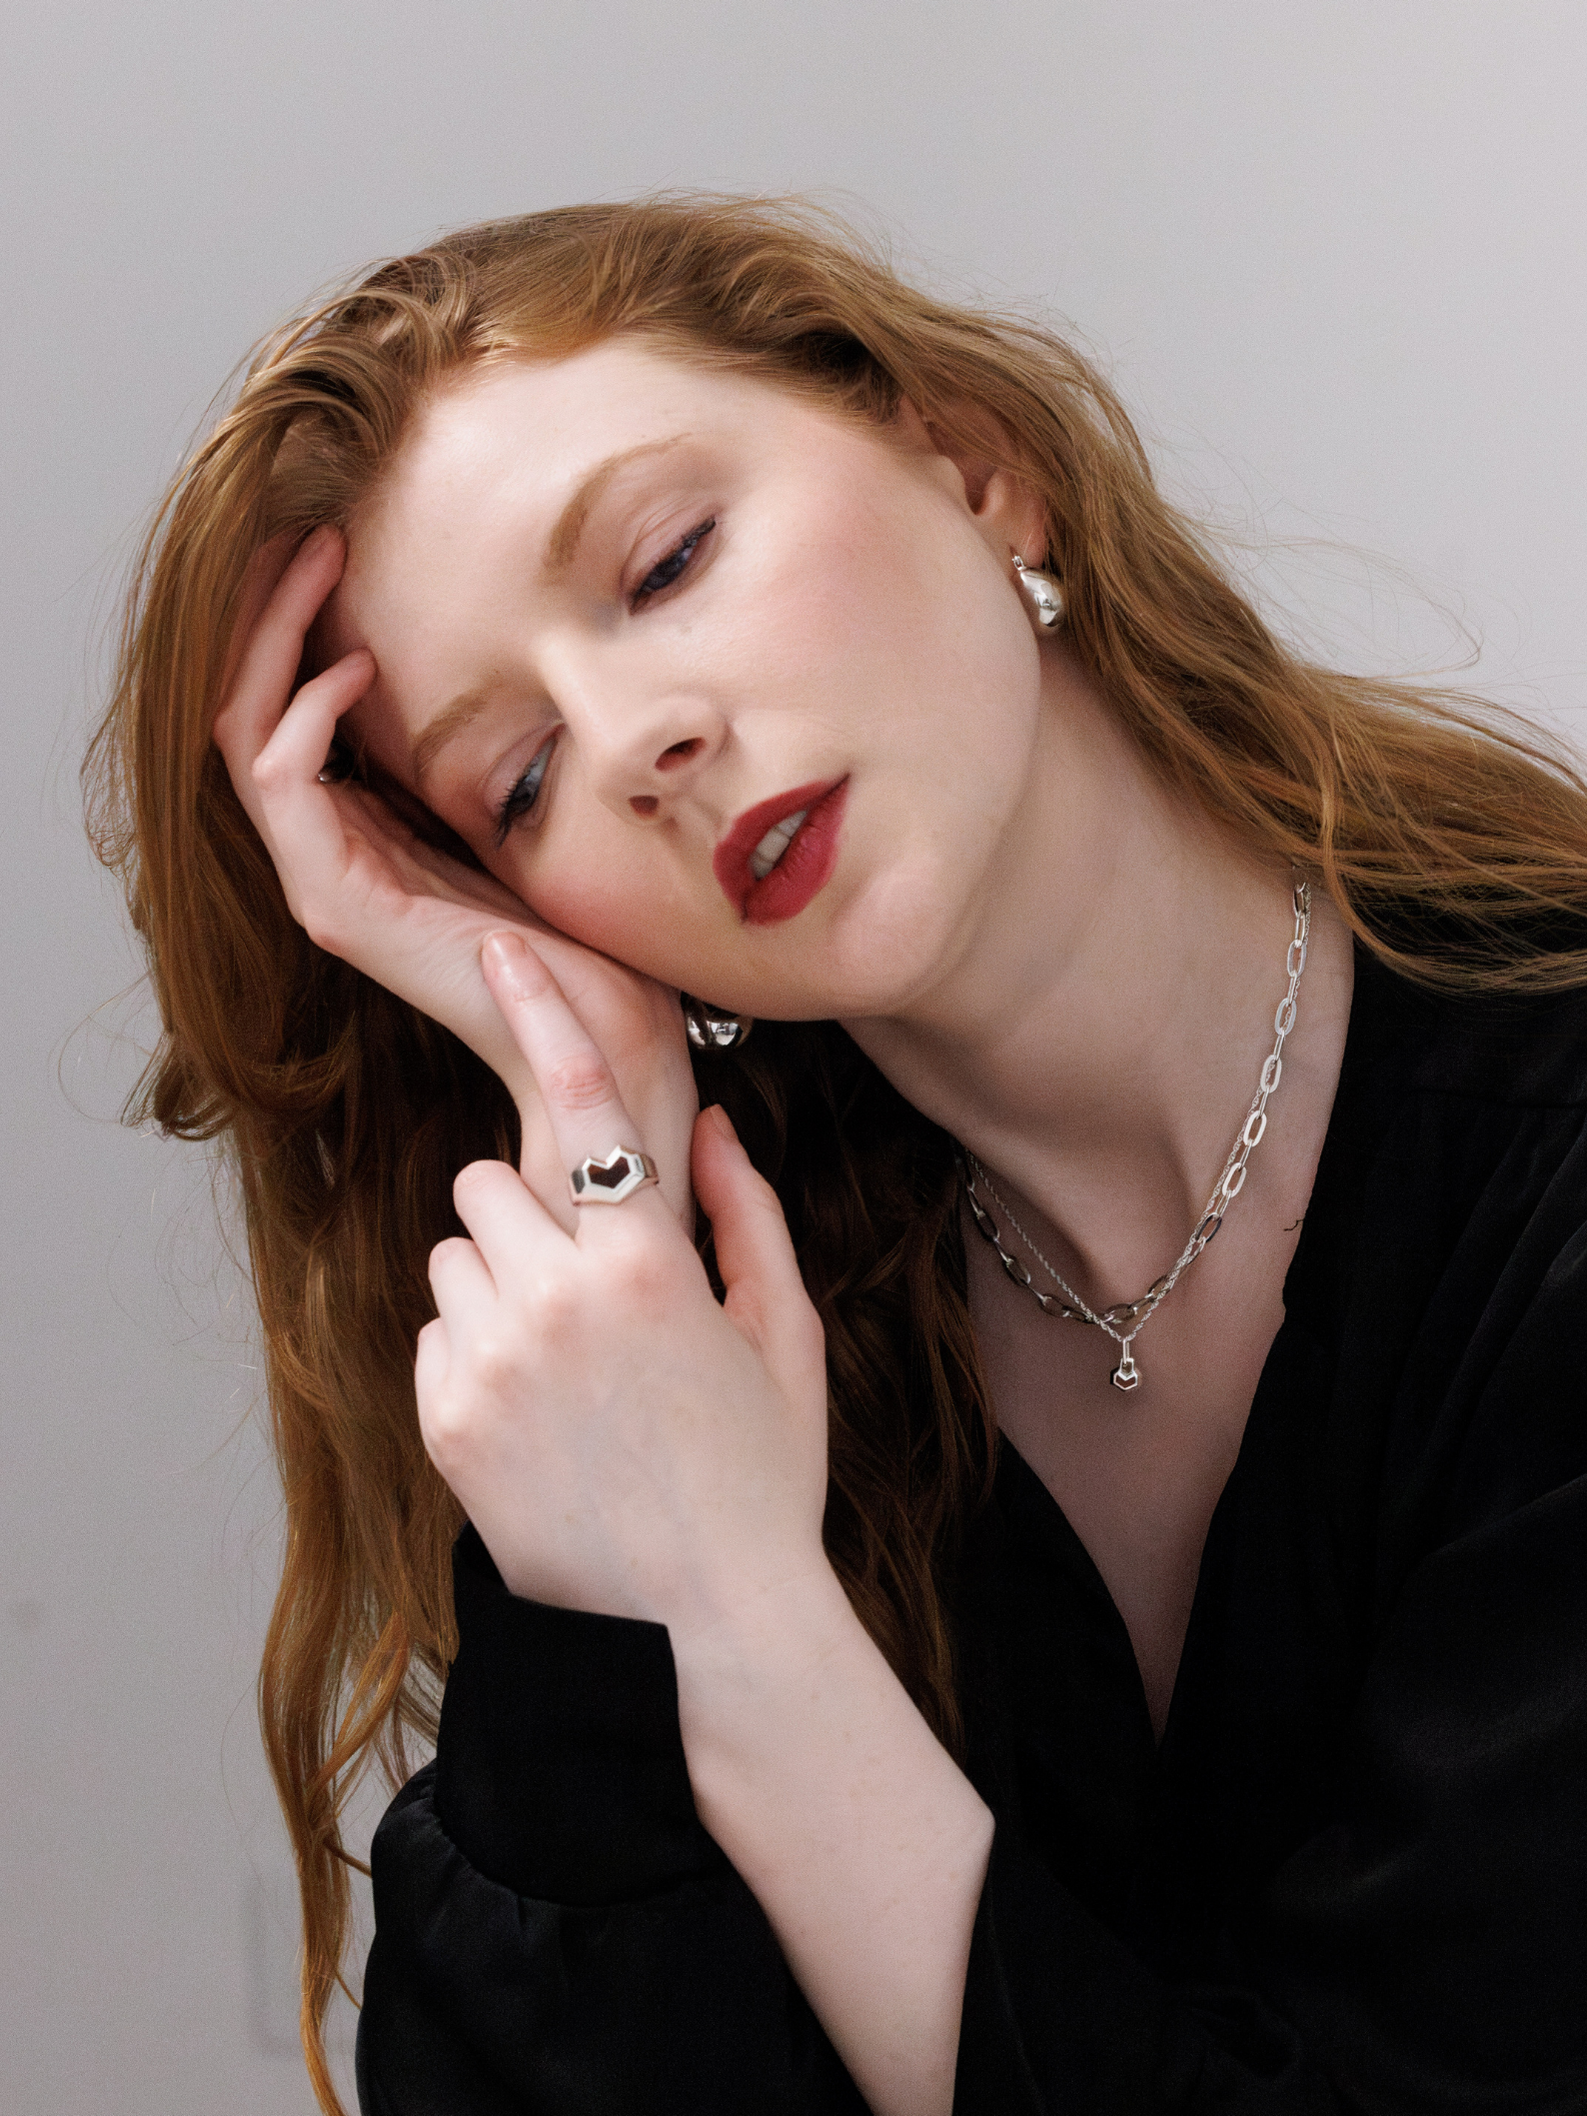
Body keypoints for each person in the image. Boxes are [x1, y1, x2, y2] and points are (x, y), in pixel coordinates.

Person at [86, 197, 1587, 2116]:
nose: (640, 737)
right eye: (517, 783)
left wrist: (742, 1613)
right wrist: (592, 1139)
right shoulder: (740, 1316)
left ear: (971, 466)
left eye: (668, 560)